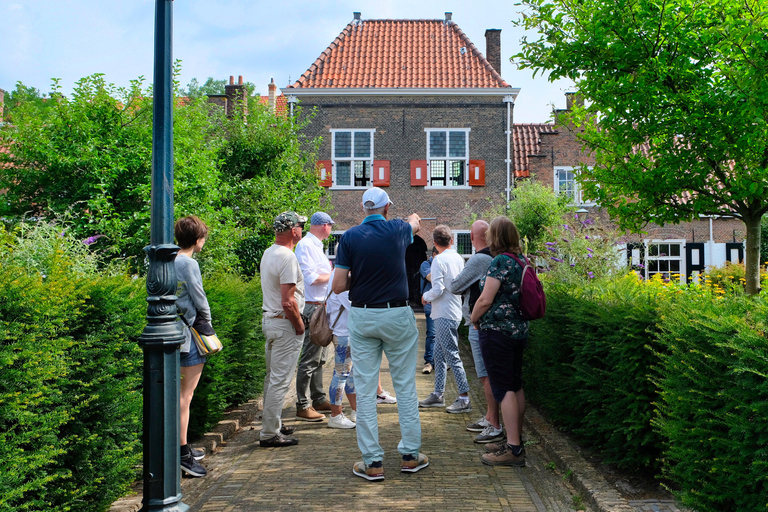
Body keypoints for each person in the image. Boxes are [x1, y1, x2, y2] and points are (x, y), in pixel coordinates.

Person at [332, 187, 428, 482]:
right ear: (387, 209)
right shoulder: (398, 230)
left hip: (363, 314)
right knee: (405, 387)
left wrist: (360, 275)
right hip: (397, 314)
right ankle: (410, 456)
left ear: (364, 209)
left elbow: (337, 286)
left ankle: (372, 462)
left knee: (364, 387)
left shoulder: (348, 238)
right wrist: (408, 219)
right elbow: (415, 221)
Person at [470, 216, 530, 467]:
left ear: (496, 237)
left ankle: (513, 450)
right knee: (515, 385)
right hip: (518, 331)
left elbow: (485, 299)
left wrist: (474, 317)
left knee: (503, 387)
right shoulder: (521, 261)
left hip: (498, 333)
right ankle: (514, 439)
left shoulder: (499, 262)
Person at [446, 220, 502, 444]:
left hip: (480, 323)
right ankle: (490, 417)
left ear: (471, 237)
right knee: (489, 373)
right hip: (494, 323)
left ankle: (494, 423)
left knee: (485, 375)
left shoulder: (479, 259)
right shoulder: (496, 257)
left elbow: (455, 286)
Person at [259, 211, 307, 447]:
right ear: (292, 230)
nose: (302, 229)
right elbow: (288, 301)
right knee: (279, 380)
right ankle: (269, 433)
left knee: (271, 378)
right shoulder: (287, 257)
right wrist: (299, 326)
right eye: (300, 225)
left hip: (269, 320)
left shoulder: (269, 252)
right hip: (284, 322)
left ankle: (272, 423)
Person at [418, 225, 470, 414]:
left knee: (451, 355)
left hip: (444, 313)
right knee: (439, 356)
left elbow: (438, 289)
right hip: (452, 311)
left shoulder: (438, 260)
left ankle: (464, 398)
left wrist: (426, 297)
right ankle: (438, 394)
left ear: (434, 242)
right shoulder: (458, 258)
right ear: (452, 240)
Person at [175, 215, 211, 477]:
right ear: (197, 240)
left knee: (177, 396)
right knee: (185, 396)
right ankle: (182, 453)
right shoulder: (188, 263)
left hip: (166, 334)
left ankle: (179, 448)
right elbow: (200, 297)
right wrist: (207, 324)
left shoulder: (162, 259)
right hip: (187, 336)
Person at [294, 212, 335, 422]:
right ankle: (302, 404)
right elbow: (311, 279)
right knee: (310, 357)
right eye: (330, 226)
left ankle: (318, 399)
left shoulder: (316, 245)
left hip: (321, 305)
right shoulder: (306, 246)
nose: (331, 229)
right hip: (313, 307)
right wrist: (337, 275)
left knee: (320, 357)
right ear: (324, 226)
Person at [326, 271, 357, 429]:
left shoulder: (336, 273)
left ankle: (356, 410)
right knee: (341, 374)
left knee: (349, 373)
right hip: (344, 332)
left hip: (345, 332)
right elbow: (354, 306)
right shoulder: (341, 277)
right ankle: (336, 415)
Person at [419, 247, 438, 374]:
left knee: (442, 335)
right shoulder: (426, 264)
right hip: (430, 303)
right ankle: (429, 362)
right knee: (432, 334)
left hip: (443, 304)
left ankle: (439, 361)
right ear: (435, 254)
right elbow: (430, 277)